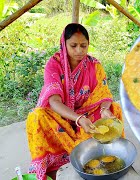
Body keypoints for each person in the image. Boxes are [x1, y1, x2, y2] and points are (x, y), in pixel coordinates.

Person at [26, 23, 123, 180]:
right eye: (74, 45)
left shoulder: (94, 65)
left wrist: (104, 109)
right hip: (62, 114)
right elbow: (54, 101)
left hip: (87, 112)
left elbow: (104, 94)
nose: (79, 50)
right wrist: (78, 119)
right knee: (37, 117)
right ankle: (53, 168)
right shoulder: (54, 64)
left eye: (83, 45)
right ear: (64, 45)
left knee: (115, 109)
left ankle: (104, 154)